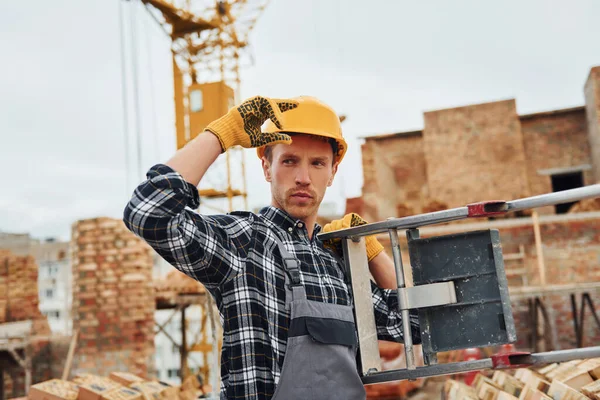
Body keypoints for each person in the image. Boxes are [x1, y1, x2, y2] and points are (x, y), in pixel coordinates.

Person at [123, 95, 420, 400]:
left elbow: (416, 324)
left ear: (332, 172)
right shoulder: (245, 243)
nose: (303, 178)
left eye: (317, 163)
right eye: (289, 161)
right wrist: (219, 135)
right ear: (267, 167)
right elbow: (148, 212)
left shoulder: (335, 266)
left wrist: (371, 252)